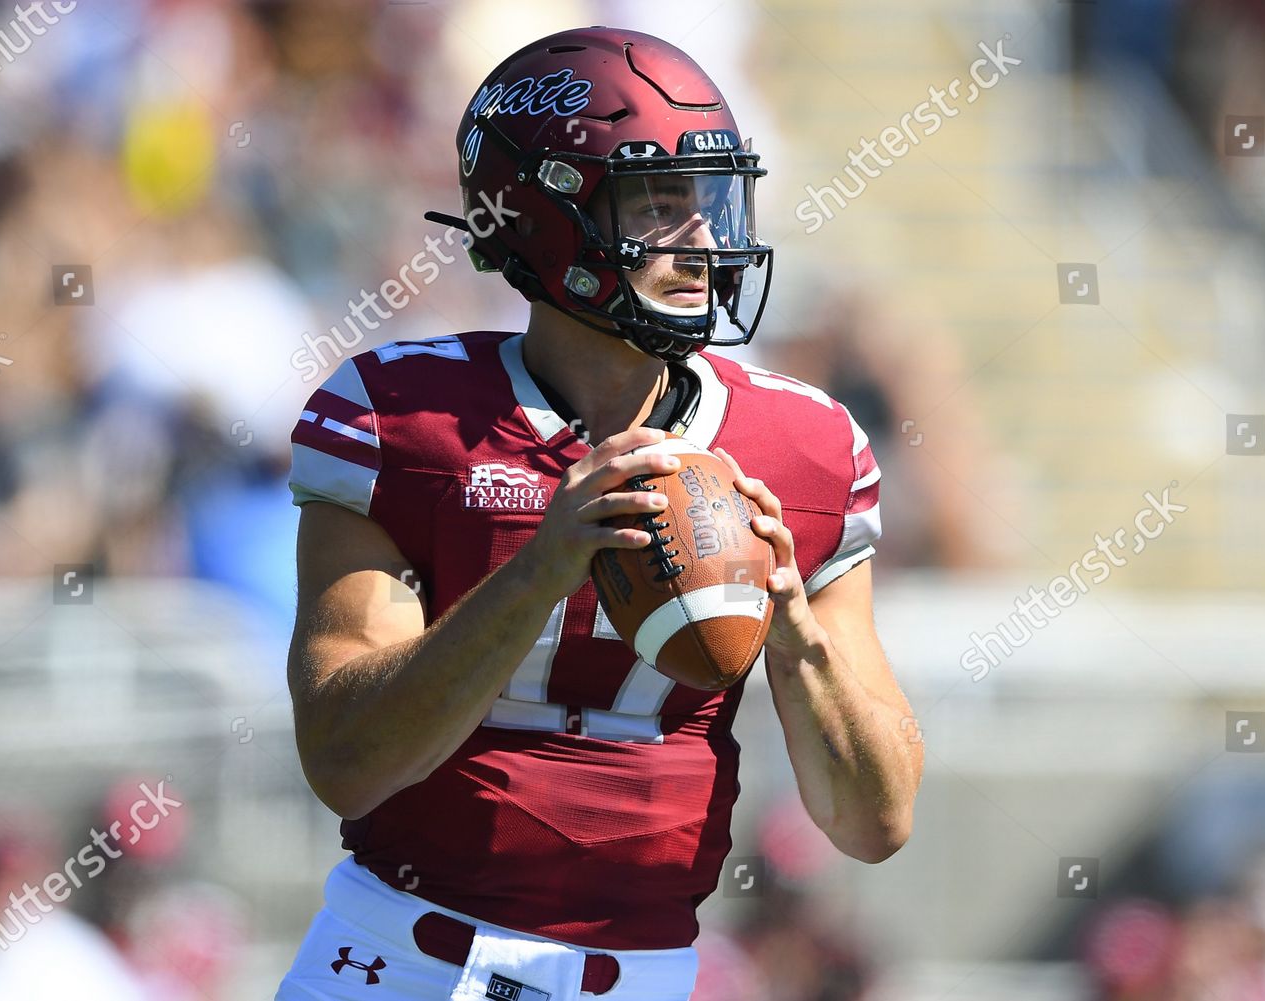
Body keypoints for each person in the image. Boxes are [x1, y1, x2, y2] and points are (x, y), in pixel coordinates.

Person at [275, 26, 922, 1001]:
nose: (704, 238)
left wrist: (797, 637)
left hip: (647, 977)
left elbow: (875, 823)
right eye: (661, 203)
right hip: (402, 964)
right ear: (547, 218)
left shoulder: (804, 446)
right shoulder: (401, 417)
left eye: (710, 200)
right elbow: (348, 759)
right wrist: (538, 571)